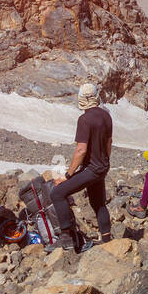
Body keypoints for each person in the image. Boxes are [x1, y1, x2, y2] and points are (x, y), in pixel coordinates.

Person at [50, 83, 113, 249]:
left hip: (91, 169)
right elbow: (109, 143)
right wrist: (105, 162)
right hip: (102, 167)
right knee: (98, 202)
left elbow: (80, 150)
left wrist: (68, 175)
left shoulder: (84, 119)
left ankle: (66, 237)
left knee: (57, 193)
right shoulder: (106, 116)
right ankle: (107, 239)